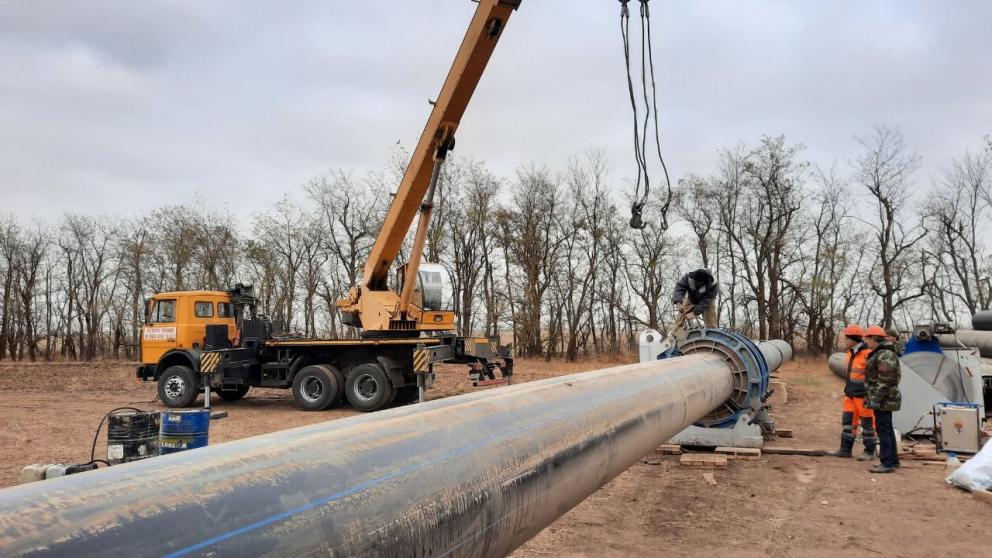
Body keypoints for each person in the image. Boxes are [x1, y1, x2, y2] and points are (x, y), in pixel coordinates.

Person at [828, 324, 877, 461]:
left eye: (846, 338)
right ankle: (845, 450)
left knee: (867, 424)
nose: (845, 341)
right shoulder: (850, 353)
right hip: (850, 394)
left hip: (863, 395)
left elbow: (874, 376)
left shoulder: (868, 354)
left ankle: (870, 451)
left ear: (854, 339)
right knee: (848, 422)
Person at [863, 325, 902, 473]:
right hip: (885, 398)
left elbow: (885, 380)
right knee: (886, 428)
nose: (866, 342)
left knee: (883, 429)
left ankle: (887, 463)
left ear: (874, 339)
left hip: (885, 398)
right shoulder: (881, 353)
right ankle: (893, 460)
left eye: (867, 338)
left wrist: (875, 398)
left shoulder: (884, 354)